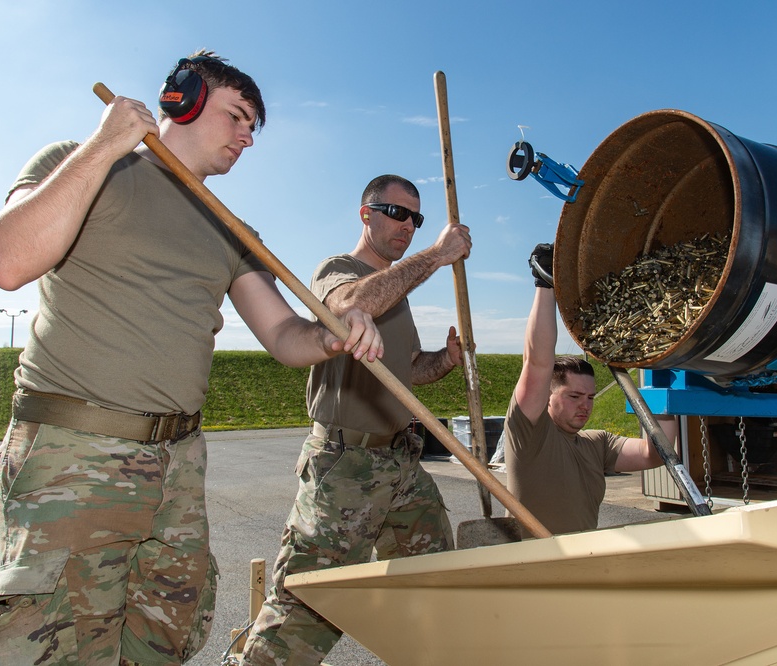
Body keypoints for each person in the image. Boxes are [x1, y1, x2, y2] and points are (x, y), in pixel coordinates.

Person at [0, 50, 382, 666]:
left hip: (179, 464)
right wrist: (105, 144)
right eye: (238, 116)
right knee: (57, 645)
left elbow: (283, 337)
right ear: (182, 98)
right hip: (75, 453)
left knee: (163, 637)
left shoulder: (230, 227)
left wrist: (333, 333)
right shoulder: (76, 163)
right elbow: (7, 260)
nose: (248, 137)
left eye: (254, 128)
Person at [242, 174, 472, 665]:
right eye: (396, 213)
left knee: (433, 578)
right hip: (346, 465)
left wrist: (446, 359)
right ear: (366, 213)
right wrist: (437, 254)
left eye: (416, 218)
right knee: (312, 600)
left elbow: (406, 371)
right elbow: (347, 309)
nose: (407, 226)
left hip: (400, 461)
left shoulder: (395, 292)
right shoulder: (340, 271)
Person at [503, 243, 677, 537]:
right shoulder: (529, 435)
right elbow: (537, 363)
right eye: (573, 396)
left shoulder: (597, 444)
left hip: (581, 566)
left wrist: (663, 370)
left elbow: (654, 454)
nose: (585, 405)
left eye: (590, 397)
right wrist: (544, 285)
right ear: (548, 395)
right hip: (531, 570)